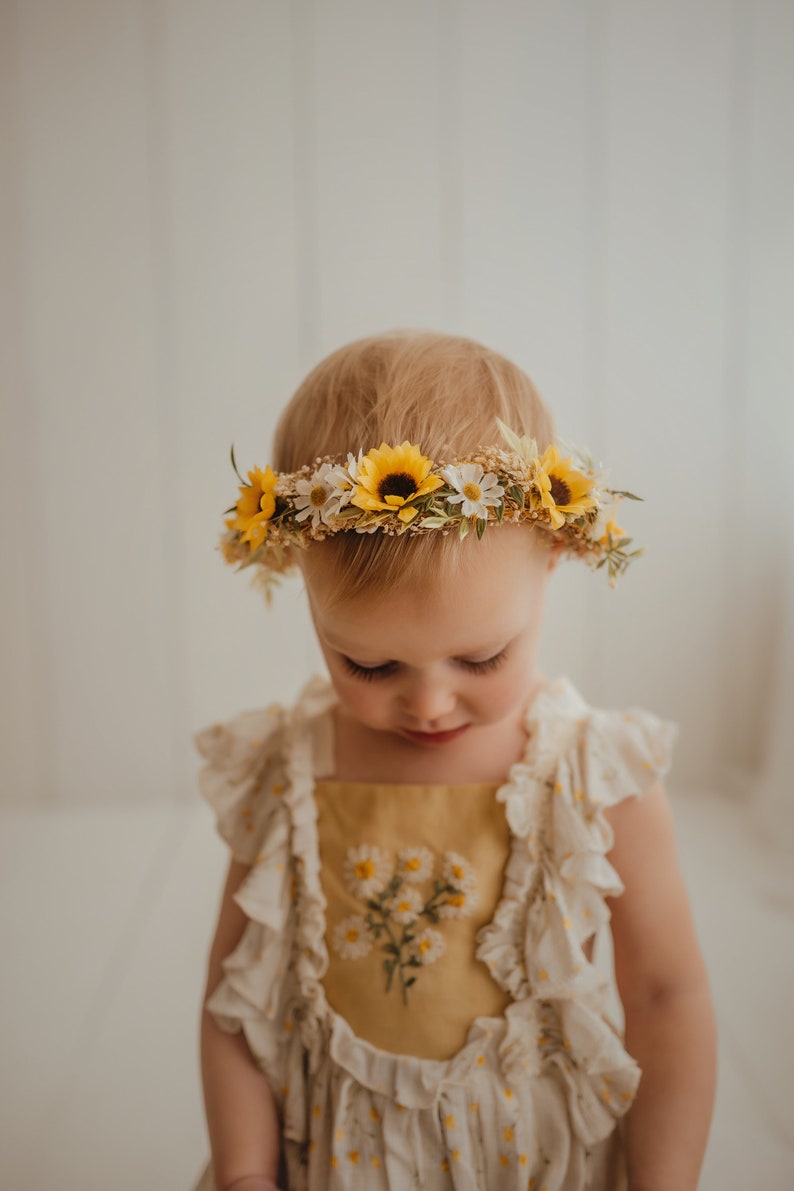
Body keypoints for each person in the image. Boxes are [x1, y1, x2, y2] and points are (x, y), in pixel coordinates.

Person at [192, 331, 716, 1191]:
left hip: (532, 1161)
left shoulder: (593, 776)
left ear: (557, 554)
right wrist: (248, 1172)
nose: (430, 703)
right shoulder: (289, 772)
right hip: (335, 1162)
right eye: (367, 664)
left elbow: (668, 998)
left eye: (479, 659)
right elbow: (232, 1004)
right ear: (300, 577)